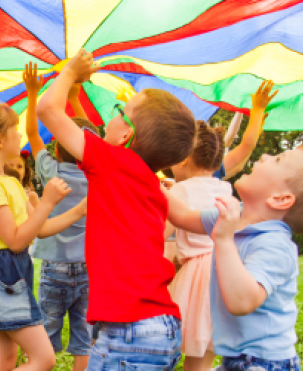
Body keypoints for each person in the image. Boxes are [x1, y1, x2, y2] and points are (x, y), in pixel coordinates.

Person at [37, 49, 197, 369]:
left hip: (128, 332)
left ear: (126, 135)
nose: (111, 116)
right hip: (163, 327)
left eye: (119, 111)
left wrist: (69, 73)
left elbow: (47, 109)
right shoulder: (151, 184)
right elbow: (188, 218)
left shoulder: (112, 161)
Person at [0, 102, 87, 371]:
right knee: (44, 359)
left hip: (8, 274)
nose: (20, 136)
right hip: (1, 274)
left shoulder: (9, 182)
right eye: (15, 130)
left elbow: (38, 229)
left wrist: (79, 211)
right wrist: (47, 203)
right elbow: (17, 240)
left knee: (7, 361)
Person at [164, 144, 303, 371]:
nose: (264, 155)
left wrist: (224, 240)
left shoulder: (275, 246)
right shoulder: (237, 214)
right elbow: (183, 216)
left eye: (277, 159)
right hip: (236, 359)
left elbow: (242, 302)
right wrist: (148, 179)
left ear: (280, 199)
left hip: (266, 363)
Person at [163, 81, 277, 371]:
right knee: (208, 347)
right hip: (230, 270)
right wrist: (258, 111)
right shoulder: (224, 187)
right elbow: (248, 145)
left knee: (193, 354)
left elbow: (158, 235)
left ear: (184, 158)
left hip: (198, 277)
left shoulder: (179, 191)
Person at [24, 62, 96, 371]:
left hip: (54, 268)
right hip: (90, 266)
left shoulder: (50, 170)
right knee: (85, 333)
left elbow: (30, 132)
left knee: (47, 332)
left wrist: (32, 93)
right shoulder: (99, 175)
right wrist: (76, 94)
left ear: (56, 147)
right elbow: (90, 138)